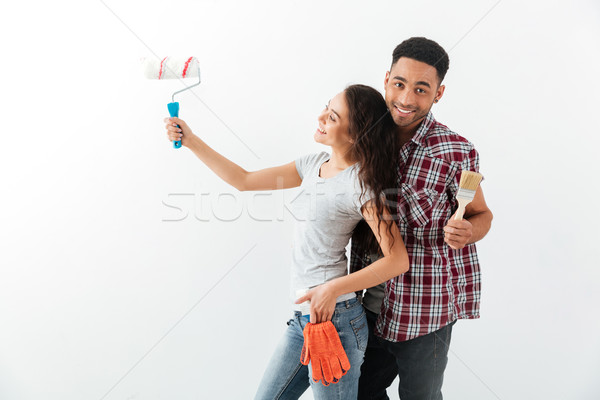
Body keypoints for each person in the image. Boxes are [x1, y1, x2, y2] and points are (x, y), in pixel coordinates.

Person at [163, 84, 411, 399]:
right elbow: (244, 180)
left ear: (354, 134)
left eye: (332, 117)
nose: (320, 116)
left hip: (335, 321)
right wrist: (191, 140)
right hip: (304, 319)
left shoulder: (361, 184)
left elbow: (397, 260)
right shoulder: (311, 165)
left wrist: (331, 289)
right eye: (326, 107)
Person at [346, 37, 494, 400]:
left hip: (427, 309)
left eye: (421, 89)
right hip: (364, 303)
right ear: (386, 79)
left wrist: (467, 231)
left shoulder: (455, 151)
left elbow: (482, 214)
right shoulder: (361, 136)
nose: (407, 99)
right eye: (399, 84)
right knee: (359, 391)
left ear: (438, 93)